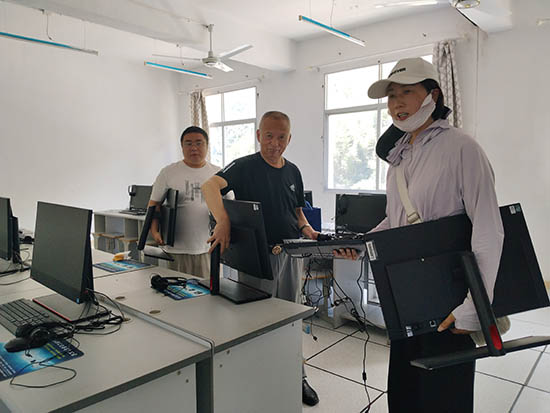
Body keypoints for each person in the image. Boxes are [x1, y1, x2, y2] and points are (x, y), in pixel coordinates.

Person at [339, 57, 504, 412]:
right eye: (391, 96)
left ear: (433, 95)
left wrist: (474, 308)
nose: (397, 103)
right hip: (405, 294)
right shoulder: (400, 157)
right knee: (404, 390)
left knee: (444, 397)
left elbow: (489, 229)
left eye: (407, 93)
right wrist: (362, 244)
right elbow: (396, 221)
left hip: (448, 297)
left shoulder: (461, 148)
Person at [201, 111, 321, 406]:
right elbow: (209, 186)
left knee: (290, 319)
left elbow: (296, 211)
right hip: (256, 256)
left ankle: (296, 375)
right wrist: (223, 220)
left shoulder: (293, 171)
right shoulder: (244, 166)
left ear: (289, 139)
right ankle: (258, 377)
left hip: (289, 253)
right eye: (269, 136)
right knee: (256, 320)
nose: (274, 143)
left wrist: (307, 229)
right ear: (258, 135)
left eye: (281, 137)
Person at [148, 126, 221, 280]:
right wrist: (154, 231)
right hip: (176, 249)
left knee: (207, 290)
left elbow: (230, 206)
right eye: (188, 143)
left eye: (199, 143)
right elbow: (154, 204)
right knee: (176, 290)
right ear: (182, 147)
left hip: (208, 248)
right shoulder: (168, 172)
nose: (194, 148)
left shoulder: (218, 173)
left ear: (207, 145)